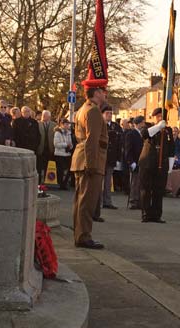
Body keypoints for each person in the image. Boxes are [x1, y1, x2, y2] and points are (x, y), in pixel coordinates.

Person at [70, 82, 108, 249]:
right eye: (103, 91)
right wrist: (92, 164)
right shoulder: (93, 111)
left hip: (80, 158)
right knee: (87, 201)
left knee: (80, 200)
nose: (105, 94)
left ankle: (79, 233)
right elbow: (92, 139)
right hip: (89, 160)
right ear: (97, 92)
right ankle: (84, 236)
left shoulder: (82, 109)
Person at [138, 107, 175, 223]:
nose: (160, 118)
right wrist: (158, 127)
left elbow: (171, 149)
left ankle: (156, 215)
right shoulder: (148, 127)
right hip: (148, 163)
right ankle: (146, 214)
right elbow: (144, 135)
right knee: (146, 189)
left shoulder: (168, 130)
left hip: (161, 164)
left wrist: (170, 166)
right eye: (157, 116)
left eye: (161, 116)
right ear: (154, 117)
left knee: (159, 190)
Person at [101, 105, 122, 209]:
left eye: (110, 113)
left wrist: (118, 158)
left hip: (111, 157)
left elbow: (119, 143)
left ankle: (107, 201)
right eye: (107, 113)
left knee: (108, 181)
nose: (109, 115)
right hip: (101, 157)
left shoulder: (116, 126)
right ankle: (98, 202)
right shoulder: (99, 125)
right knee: (99, 181)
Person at [125, 115, 144, 210]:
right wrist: (131, 162)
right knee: (134, 182)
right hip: (134, 161)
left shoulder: (142, 134)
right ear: (138, 124)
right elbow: (128, 150)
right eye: (142, 123)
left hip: (141, 162)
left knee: (140, 182)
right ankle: (133, 201)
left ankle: (139, 201)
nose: (143, 125)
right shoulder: (131, 134)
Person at [53, 118, 73, 190]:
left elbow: (70, 142)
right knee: (60, 170)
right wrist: (65, 144)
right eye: (66, 124)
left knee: (70, 169)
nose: (68, 126)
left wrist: (70, 146)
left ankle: (64, 183)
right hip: (59, 154)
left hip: (67, 154)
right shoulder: (57, 132)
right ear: (62, 125)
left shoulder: (68, 132)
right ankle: (61, 184)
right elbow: (56, 144)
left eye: (68, 124)